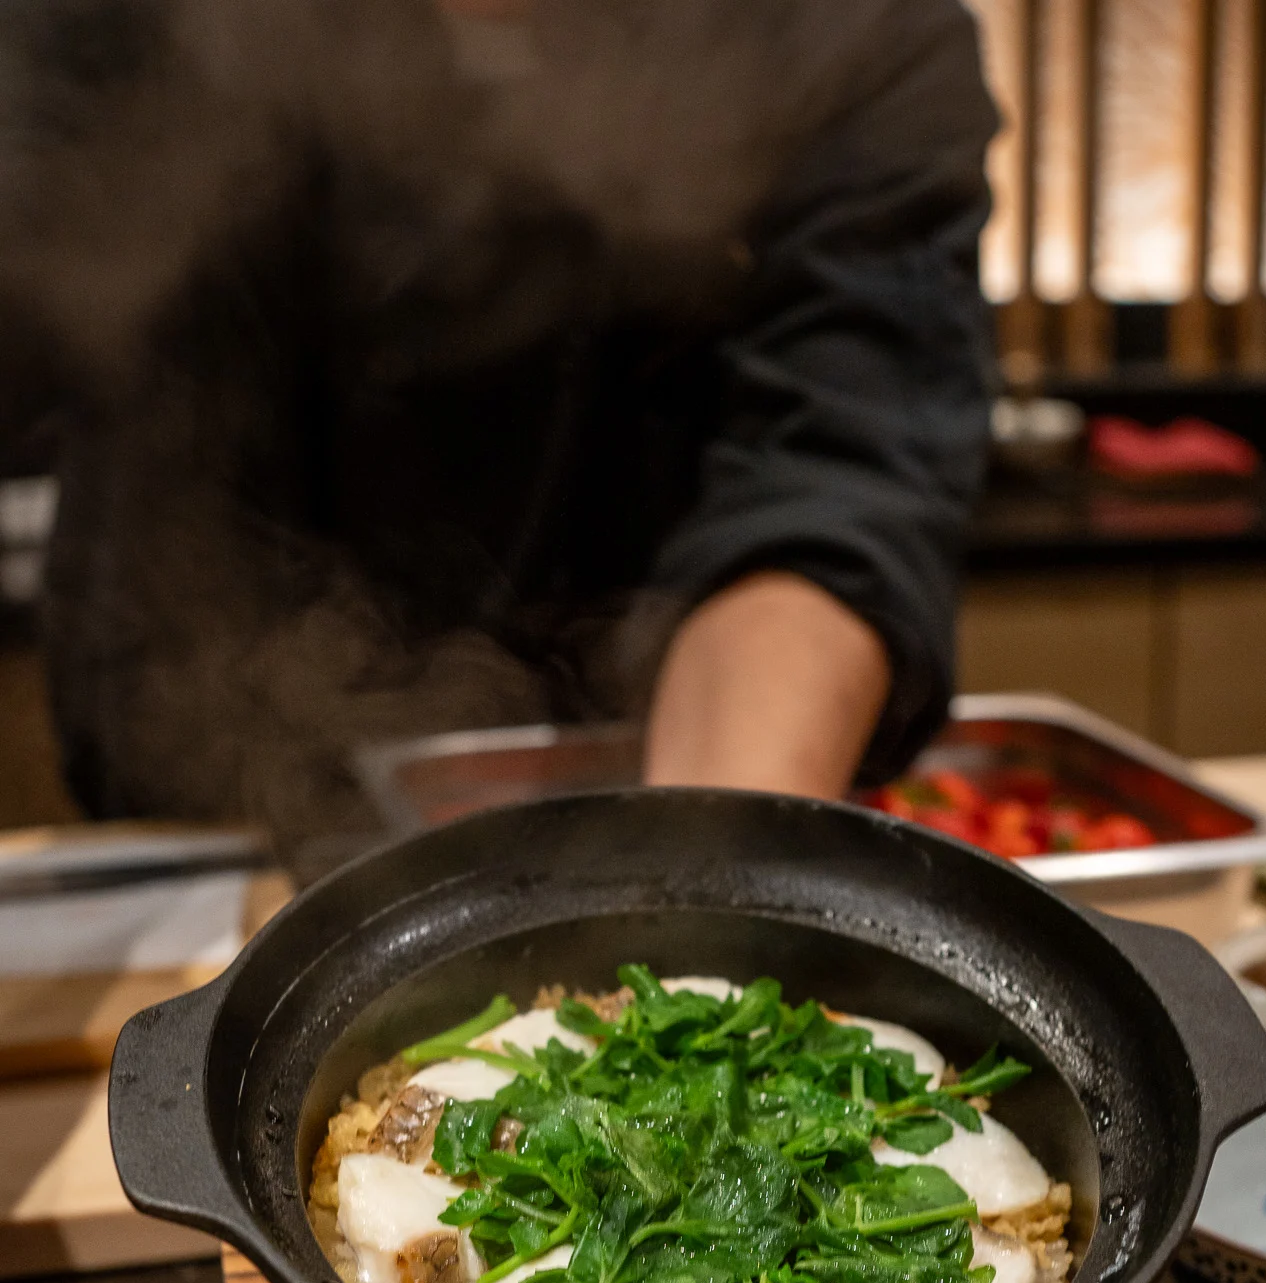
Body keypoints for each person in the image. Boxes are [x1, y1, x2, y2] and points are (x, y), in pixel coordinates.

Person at [1, 0, 996, 857]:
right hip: (196, 786)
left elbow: (836, 466)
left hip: (651, 762)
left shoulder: (837, 25)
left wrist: (698, 935)